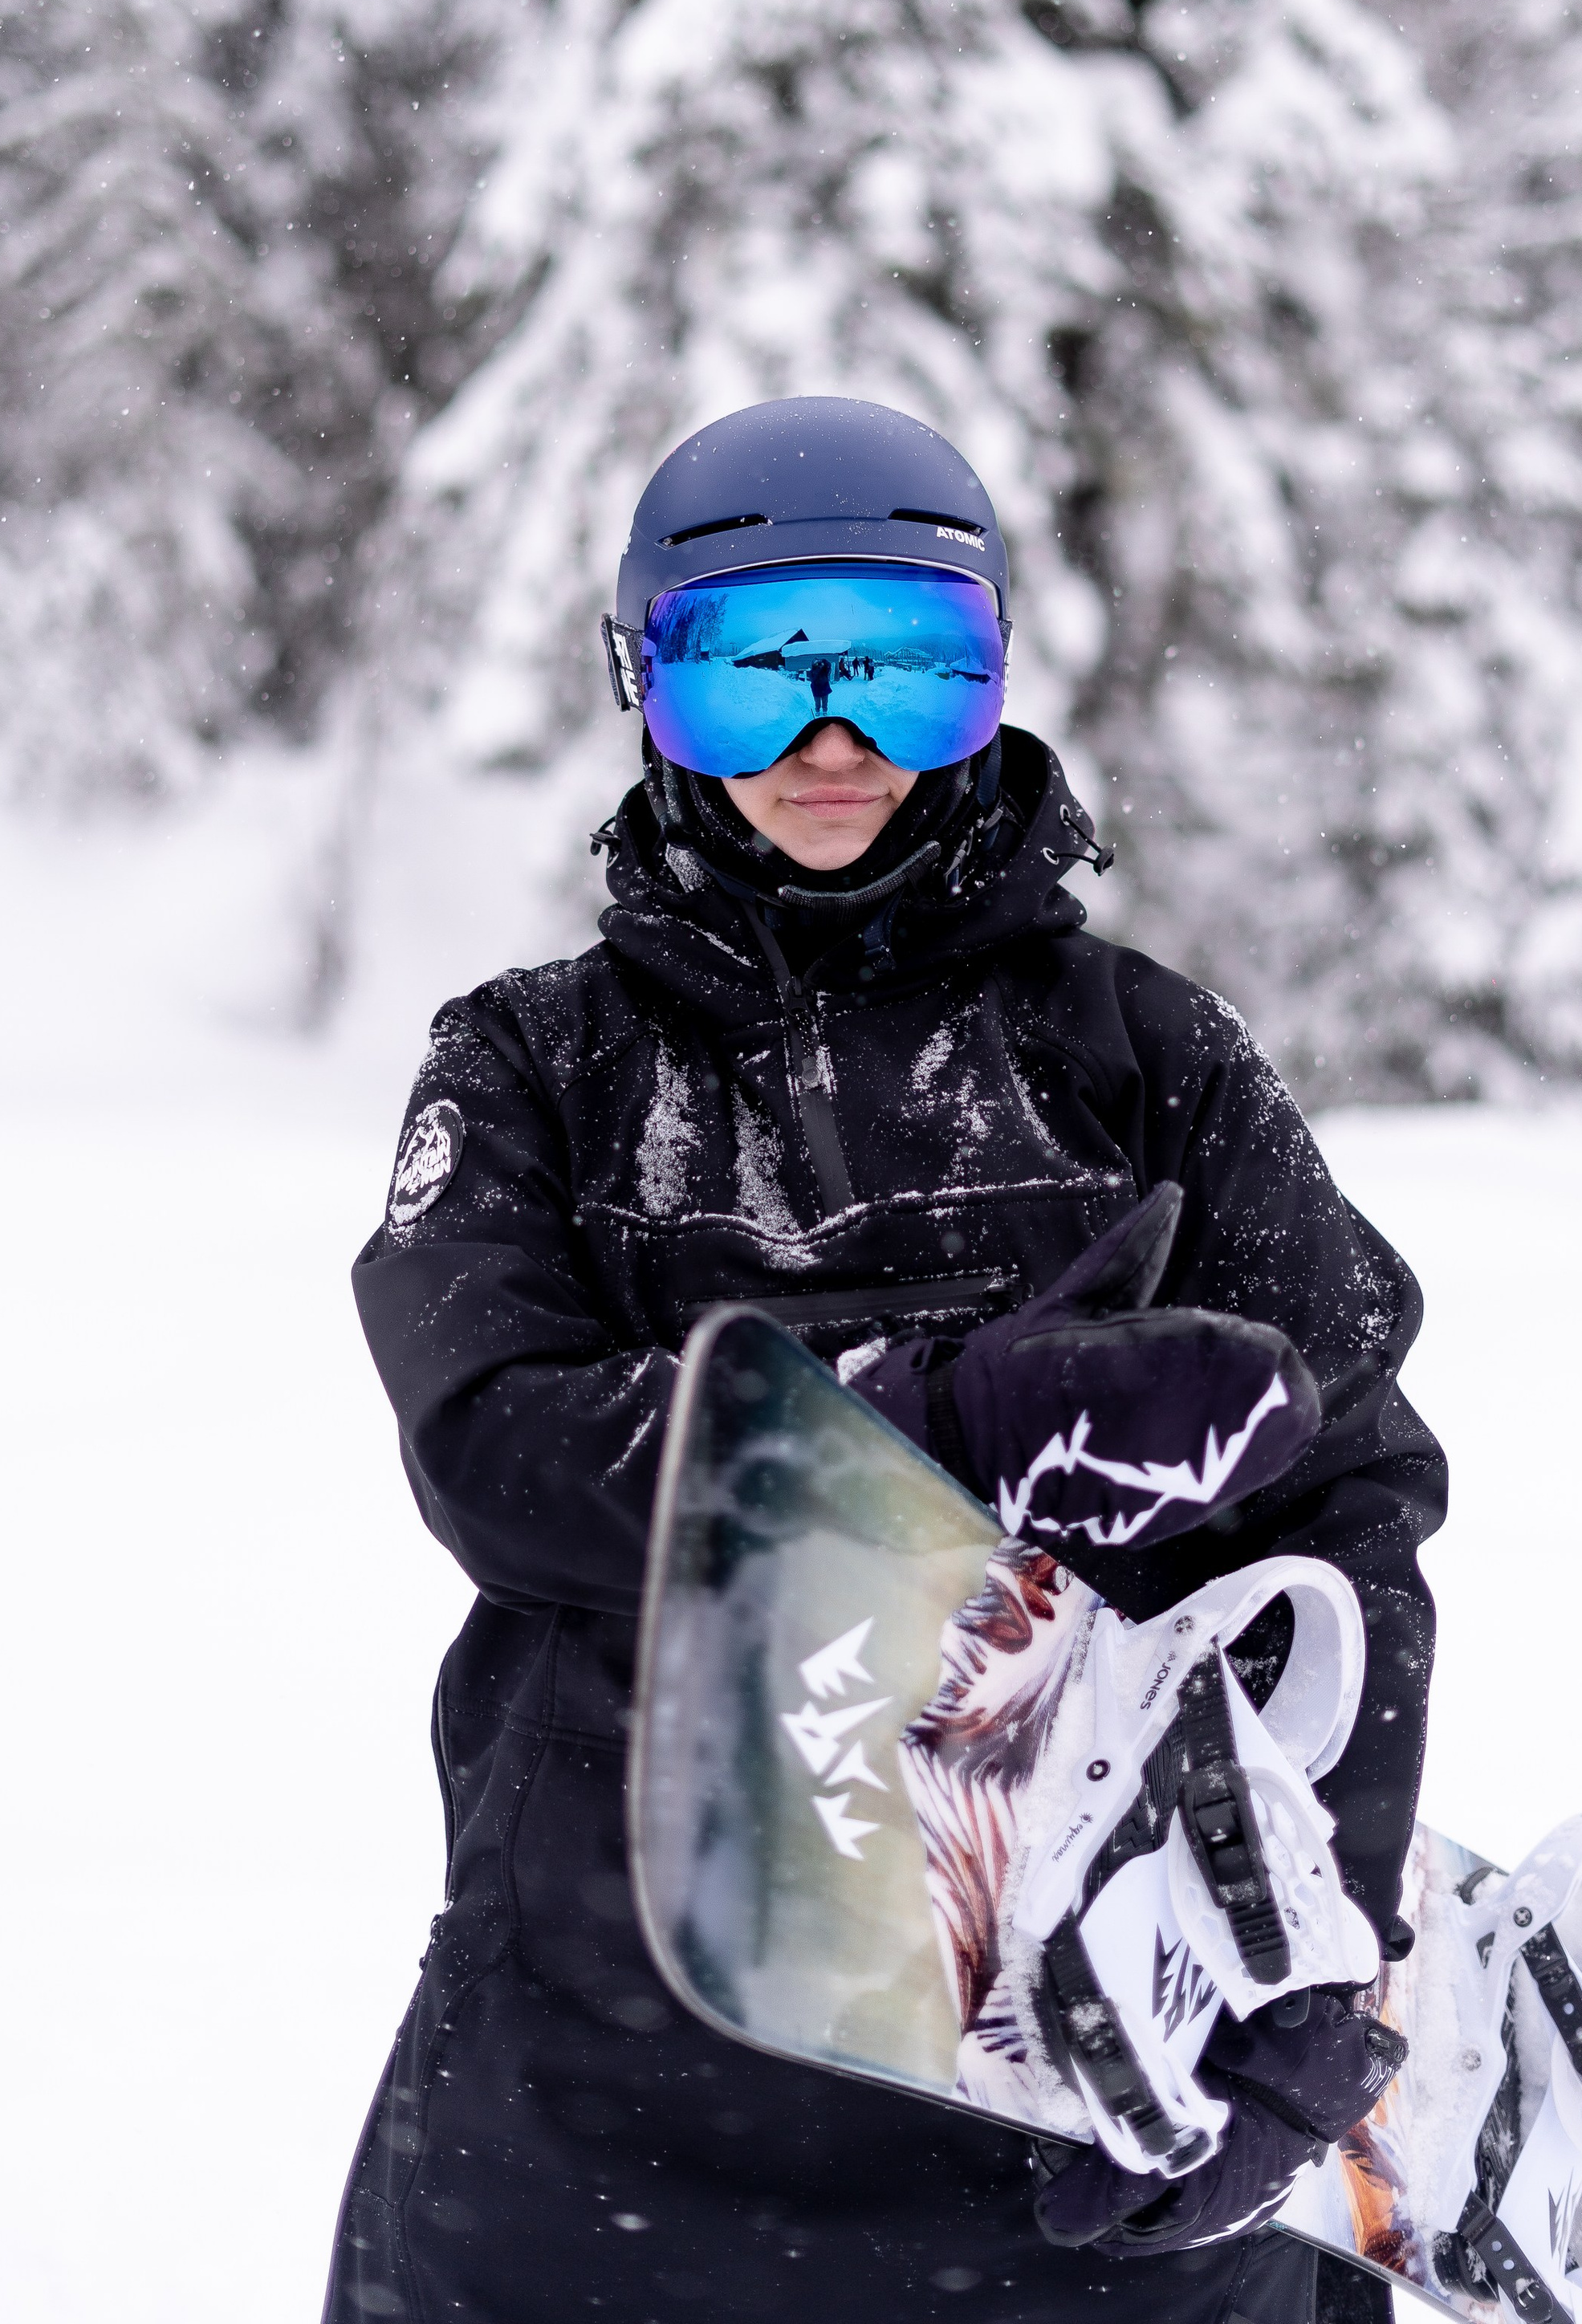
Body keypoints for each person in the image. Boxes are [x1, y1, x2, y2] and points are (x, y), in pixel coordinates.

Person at [324, 397, 1446, 2324]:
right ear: (642, 688)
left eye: (907, 669)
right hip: (598, 2063)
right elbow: (494, 1453)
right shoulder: (530, 1064)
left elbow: (1347, 1507)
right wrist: (916, 1427)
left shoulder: (1149, 1057)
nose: (830, 743)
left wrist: (1316, 1952)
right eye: (750, 675)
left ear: (994, 677)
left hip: (1075, 2073)